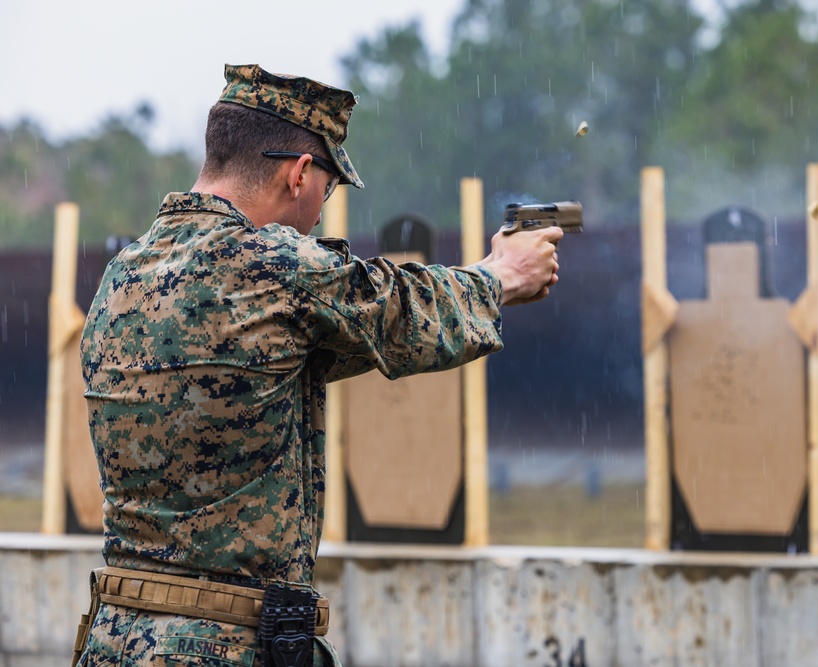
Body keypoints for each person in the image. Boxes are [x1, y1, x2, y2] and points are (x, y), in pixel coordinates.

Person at [73, 64, 562, 667]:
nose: (320, 213)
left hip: (117, 637)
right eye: (327, 191)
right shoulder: (274, 266)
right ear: (300, 173)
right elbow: (395, 308)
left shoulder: (125, 273)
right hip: (224, 646)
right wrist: (500, 277)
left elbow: (303, 348)